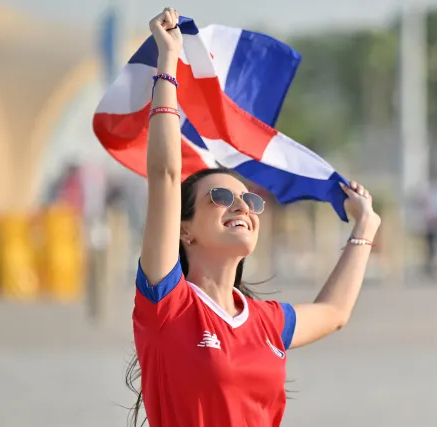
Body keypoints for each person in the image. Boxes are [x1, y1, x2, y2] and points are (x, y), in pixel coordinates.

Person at [125, 8, 381, 427]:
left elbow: (334, 313)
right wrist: (168, 64)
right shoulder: (168, 304)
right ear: (184, 230)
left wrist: (364, 227)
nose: (243, 206)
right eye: (222, 197)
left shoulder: (266, 321)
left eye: (251, 201)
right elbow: (167, 176)